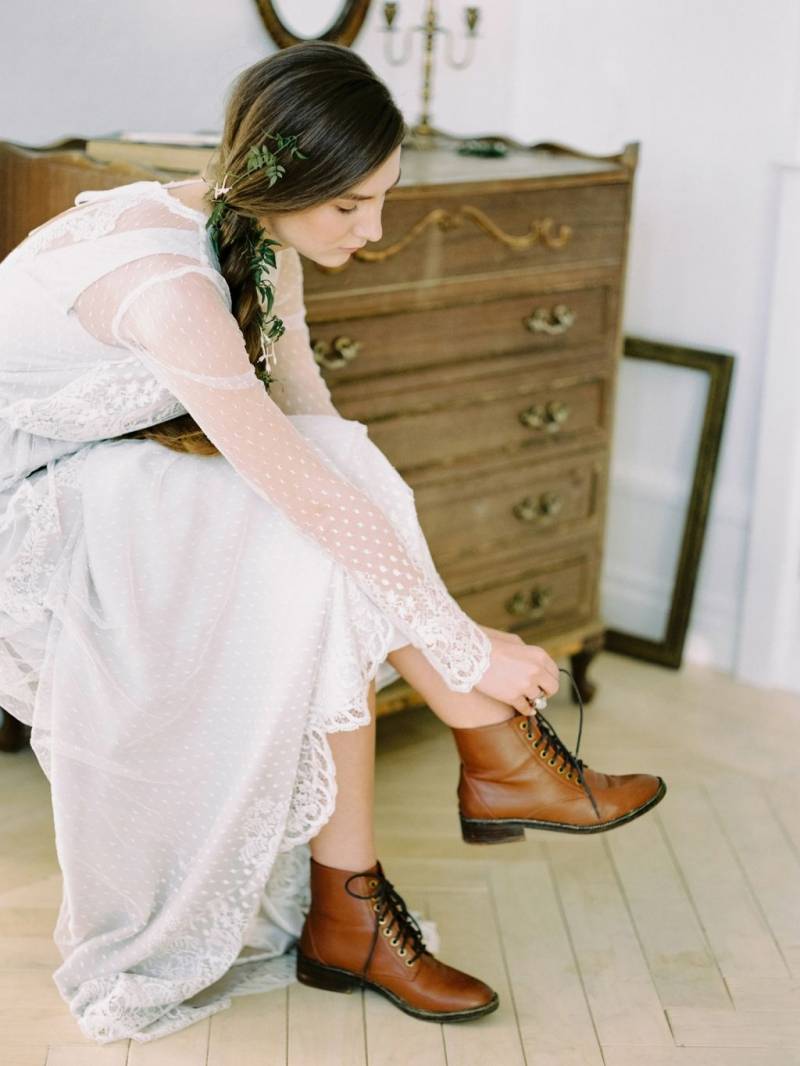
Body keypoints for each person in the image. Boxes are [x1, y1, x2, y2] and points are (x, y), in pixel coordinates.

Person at [0, 41, 666, 1044]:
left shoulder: (252, 231)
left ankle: (379, 879)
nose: (375, 228)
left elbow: (310, 415)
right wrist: (461, 644)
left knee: (337, 490)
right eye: (350, 206)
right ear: (284, 178)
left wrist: (440, 627)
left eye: (382, 198)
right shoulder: (165, 288)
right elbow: (292, 476)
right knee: (317, 534)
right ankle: (478, 764)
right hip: (30, 505)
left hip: (111, 472)